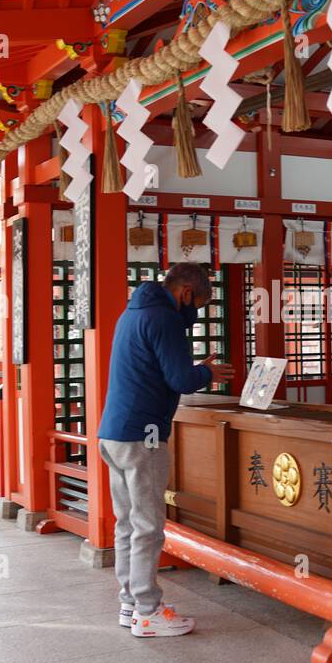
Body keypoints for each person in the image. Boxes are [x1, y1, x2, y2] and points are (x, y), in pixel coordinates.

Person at [96, 263, 233, 637]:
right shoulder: (165, 318)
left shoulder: (133, 312)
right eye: (198, 304)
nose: (194, 313)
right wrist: (207, 373)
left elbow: (159, 370)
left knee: (128, 523)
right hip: (145, 435)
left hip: (113, 432)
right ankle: (147, 611)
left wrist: (193, 369)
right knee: (148, 525)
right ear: (186, 292)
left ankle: (131, 602)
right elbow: (180, 380)